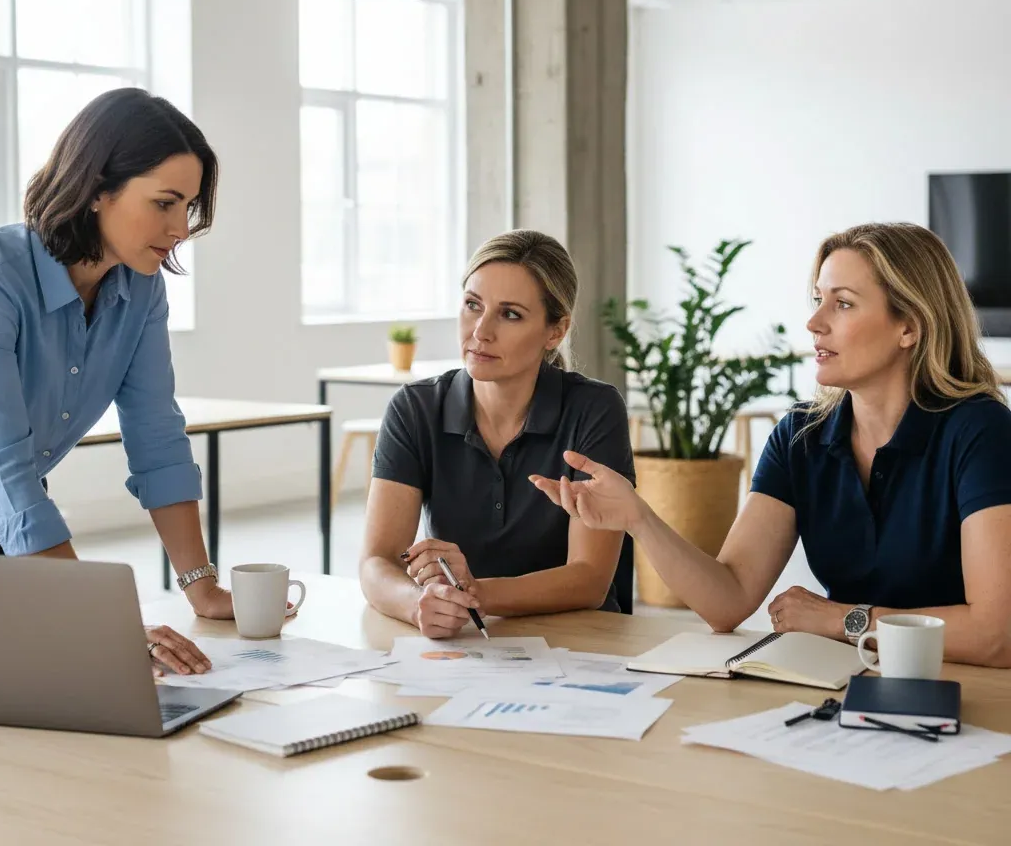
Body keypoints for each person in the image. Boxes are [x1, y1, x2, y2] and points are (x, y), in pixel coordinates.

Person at [531, 222, 1011, 668]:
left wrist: (843, 619)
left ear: (910, 325)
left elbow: (997, 633)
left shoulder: (982, 432)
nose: (814, 323)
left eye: (842, 303)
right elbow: (729, 599)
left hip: (969, 691)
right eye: (817, 299)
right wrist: (638, 517)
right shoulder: (800, 436)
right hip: (852, 681)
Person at [0, 88, 233, 675]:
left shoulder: (142, 289)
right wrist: (103, 623)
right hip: (6, 497)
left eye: (189, 206)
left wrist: (201, 587)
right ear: (98, 188)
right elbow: (4, 467)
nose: (180, 228)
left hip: (7, 520)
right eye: (164, 203)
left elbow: (156, 433)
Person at [360, 230, 634, 638]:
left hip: (580, 641)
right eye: (473, 305)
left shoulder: (594, 410)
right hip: (466, 643)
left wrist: (472, 594)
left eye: (510, 314)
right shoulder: (415, 409)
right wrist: (417, 604)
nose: (480, 331)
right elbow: (376, 562)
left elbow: (589, 579)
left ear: (555, 331)